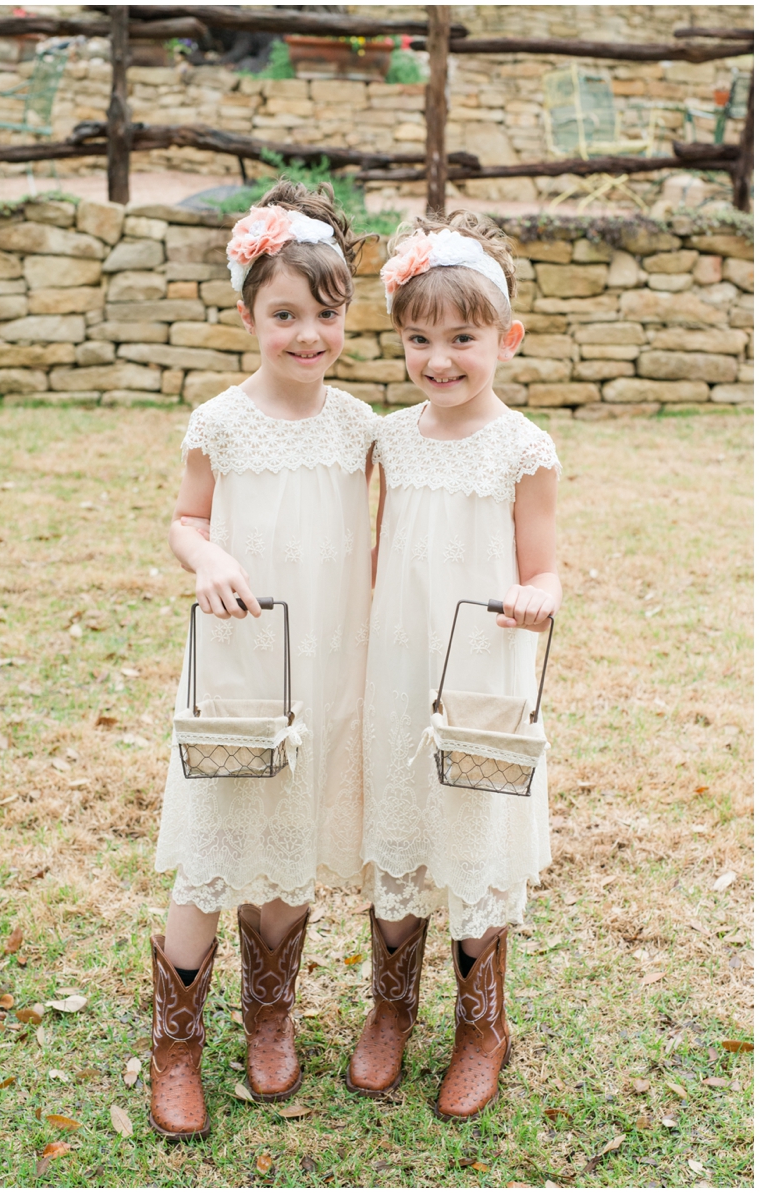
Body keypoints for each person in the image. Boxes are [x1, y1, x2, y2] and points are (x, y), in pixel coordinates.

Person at [151, 181, 377, 1141]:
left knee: (290, 832)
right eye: (285, 314)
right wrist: (209, 559)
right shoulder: (222, 420)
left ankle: (271, 1013)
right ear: (247, 313)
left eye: (325, 315)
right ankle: (176, 1039)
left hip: (326, 657)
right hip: (241, 656)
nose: (306, 334)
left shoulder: (363, 427)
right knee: (212, 840)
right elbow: (186, 518)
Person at [347, 213, 562, 1120]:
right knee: (399, 833)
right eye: (419, 338)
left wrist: (541, 592)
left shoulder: (525, 448)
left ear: (505, 339)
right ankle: (391, 1006)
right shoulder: (391, 439)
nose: (440, 358)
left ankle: (482, 1024)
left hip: (482, 668)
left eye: (463, 338)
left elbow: (543, 559)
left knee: (471, 839)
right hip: (401, 662)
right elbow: (381, 550)